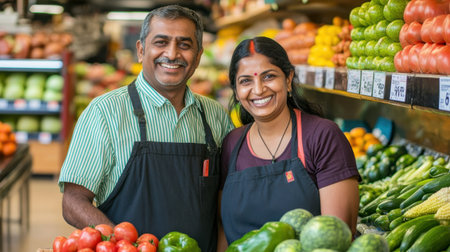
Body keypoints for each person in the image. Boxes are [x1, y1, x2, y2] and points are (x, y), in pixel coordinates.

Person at [58, 5, 234, 252]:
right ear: (141, 50)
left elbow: (227, 197)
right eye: (161, 42)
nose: (172, 54)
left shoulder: (215, 115)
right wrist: (123, 245)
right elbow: (73, 201)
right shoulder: (104, 113)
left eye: (184, 45)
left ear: (198, 55)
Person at [219, 36, 360, 244]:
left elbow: (335, 238)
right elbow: (222, 232)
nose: (258, 90)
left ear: (288, 79)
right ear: (237, 92)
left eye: (268, 77)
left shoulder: (321, 136)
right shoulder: (232, 144)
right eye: (246, 81)